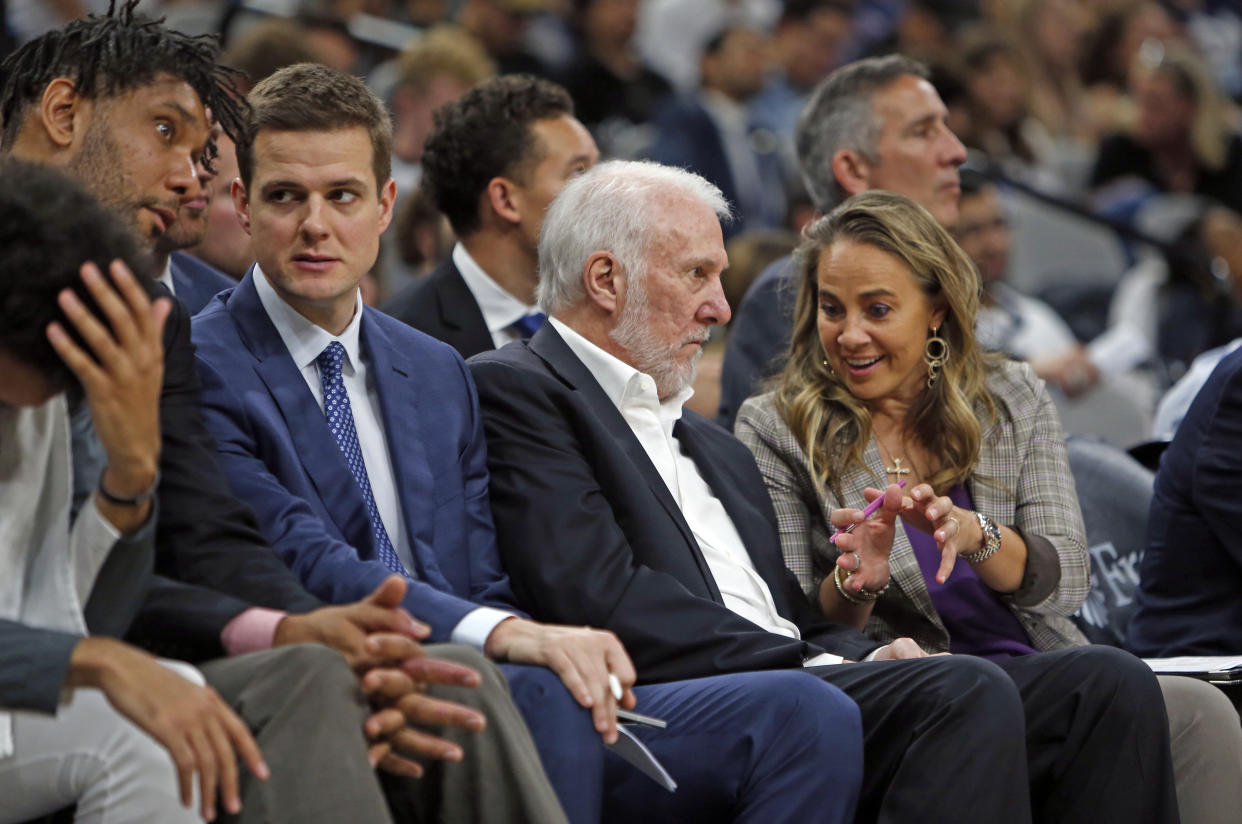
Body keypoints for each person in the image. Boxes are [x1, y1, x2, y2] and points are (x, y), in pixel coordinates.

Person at [192, 62, 865, 824]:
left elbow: (482, 573)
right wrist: (513, 637)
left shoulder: (435, 367)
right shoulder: (198, 362)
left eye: (341, 195)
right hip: (327, 665)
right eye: (287, 197)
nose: (316, 224)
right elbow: (301, 555)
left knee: (765, 713)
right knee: (538, 683)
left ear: (384, 206)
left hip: (481, 670)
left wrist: (519, 638)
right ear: (243, 206)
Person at [469, 158, 1179, 824]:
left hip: (810, 675)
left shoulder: (710, 445)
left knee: (1105, 687)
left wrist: (859, 646)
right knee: (964, 689)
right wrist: (833, 656)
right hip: (695, 696)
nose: (720, 308)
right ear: (605, 280)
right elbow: (599, 595)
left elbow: (794, 614)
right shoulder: (524, 390)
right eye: (697, 275)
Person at [0, 7, 565, 821]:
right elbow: (112, 610)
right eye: (165, 133)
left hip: (88, 668)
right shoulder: (195, 332)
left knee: (441, 681)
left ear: (384, 205)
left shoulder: (140, 316)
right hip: (72, 681)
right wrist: (93, 663)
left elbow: (186, 548)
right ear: (63, 114)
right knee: (285, 687)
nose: (191, 177)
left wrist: (300, 627)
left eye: (200, 153)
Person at [734, 189, 1241, 824]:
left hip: (1035, 666)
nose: (850, 334)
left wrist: (977, 537)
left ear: (937, 310)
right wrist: (858, 581)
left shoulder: (1009, 395)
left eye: (879, 309)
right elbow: (794, 628)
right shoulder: (778, 426)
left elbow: (1065, 578)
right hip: (919, 689)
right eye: (832, 309)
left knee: (1190, 709)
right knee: (1112, 683)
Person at [718, 54, 967, 427]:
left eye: (945, 128)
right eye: (923, 132)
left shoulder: (943, 277)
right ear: (853, 170)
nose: (957, 152)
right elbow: (790, 464)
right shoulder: (791, 292)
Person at [383, 75, 598, 359]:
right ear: (505, 200)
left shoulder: (607, 314)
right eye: (579, 172)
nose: (604, 189)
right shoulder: (402, 342)